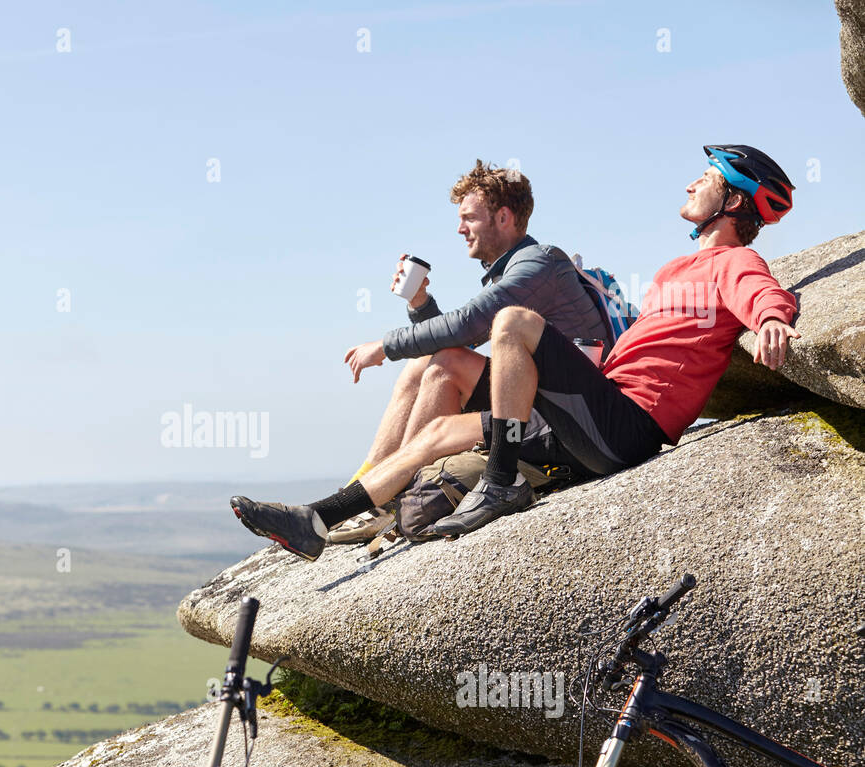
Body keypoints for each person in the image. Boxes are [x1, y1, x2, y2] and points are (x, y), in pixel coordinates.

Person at [232, 144, 799, 558]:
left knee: (514, 321)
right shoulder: (676, 268)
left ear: (732, 199)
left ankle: (500, 481)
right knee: (437, 434)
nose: (689, 186)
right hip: (595, 411)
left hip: (630, 426)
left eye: (703, 179)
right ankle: (319, 519)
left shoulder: (734, 262)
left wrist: (772, 320)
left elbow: (760, 292)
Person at [327, 159, 608, 544]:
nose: (460, 229)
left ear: (504, 217)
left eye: (469, 218)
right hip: (537, 400)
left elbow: (466, 325)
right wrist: (420, 303)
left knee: (443, 365)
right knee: (427, 364)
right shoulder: (513, 269)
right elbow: (461, 338)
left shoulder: (538, 265)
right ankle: (368, 487)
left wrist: (384, 347)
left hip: (563, 420)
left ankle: (387, 494)